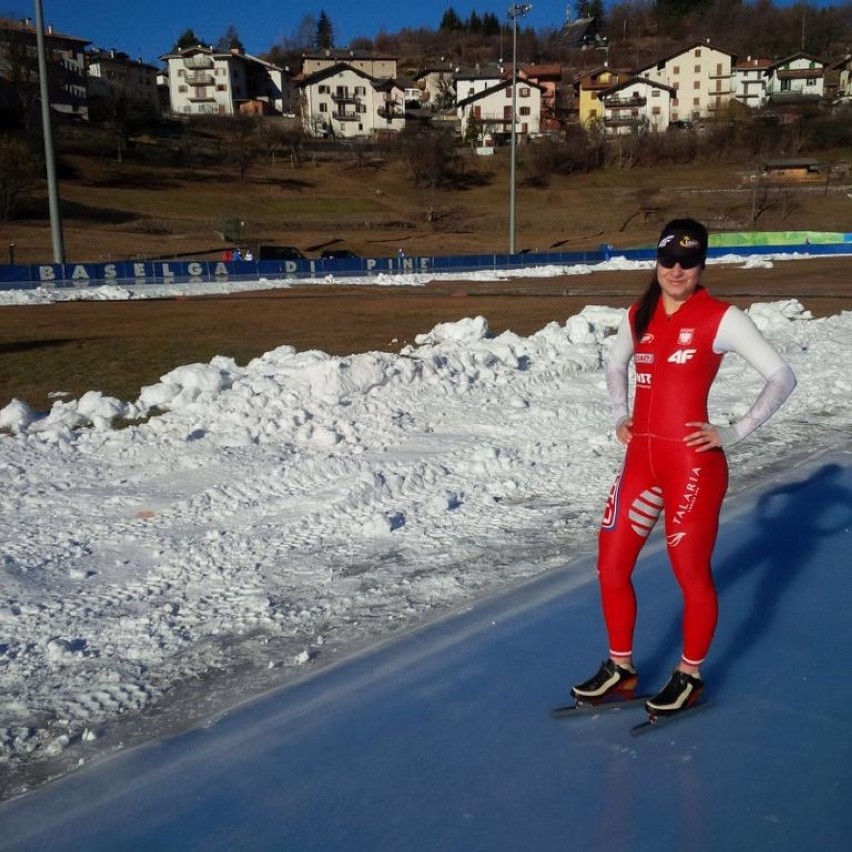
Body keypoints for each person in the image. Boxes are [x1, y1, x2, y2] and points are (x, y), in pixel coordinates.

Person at [571, 218, 797, 716]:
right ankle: (621, 669)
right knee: (610, 565)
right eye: (669, 260)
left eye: (689, 262)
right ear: (656, 261)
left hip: (693, 466)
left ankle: (689, 675)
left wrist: (736, 431)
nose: (677, 271)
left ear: (701, 265)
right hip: (641, 463)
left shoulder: (721, 317)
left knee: (689, 573)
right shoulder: (639, 313)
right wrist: (618, 414)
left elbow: (782, 377)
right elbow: (614, 364)